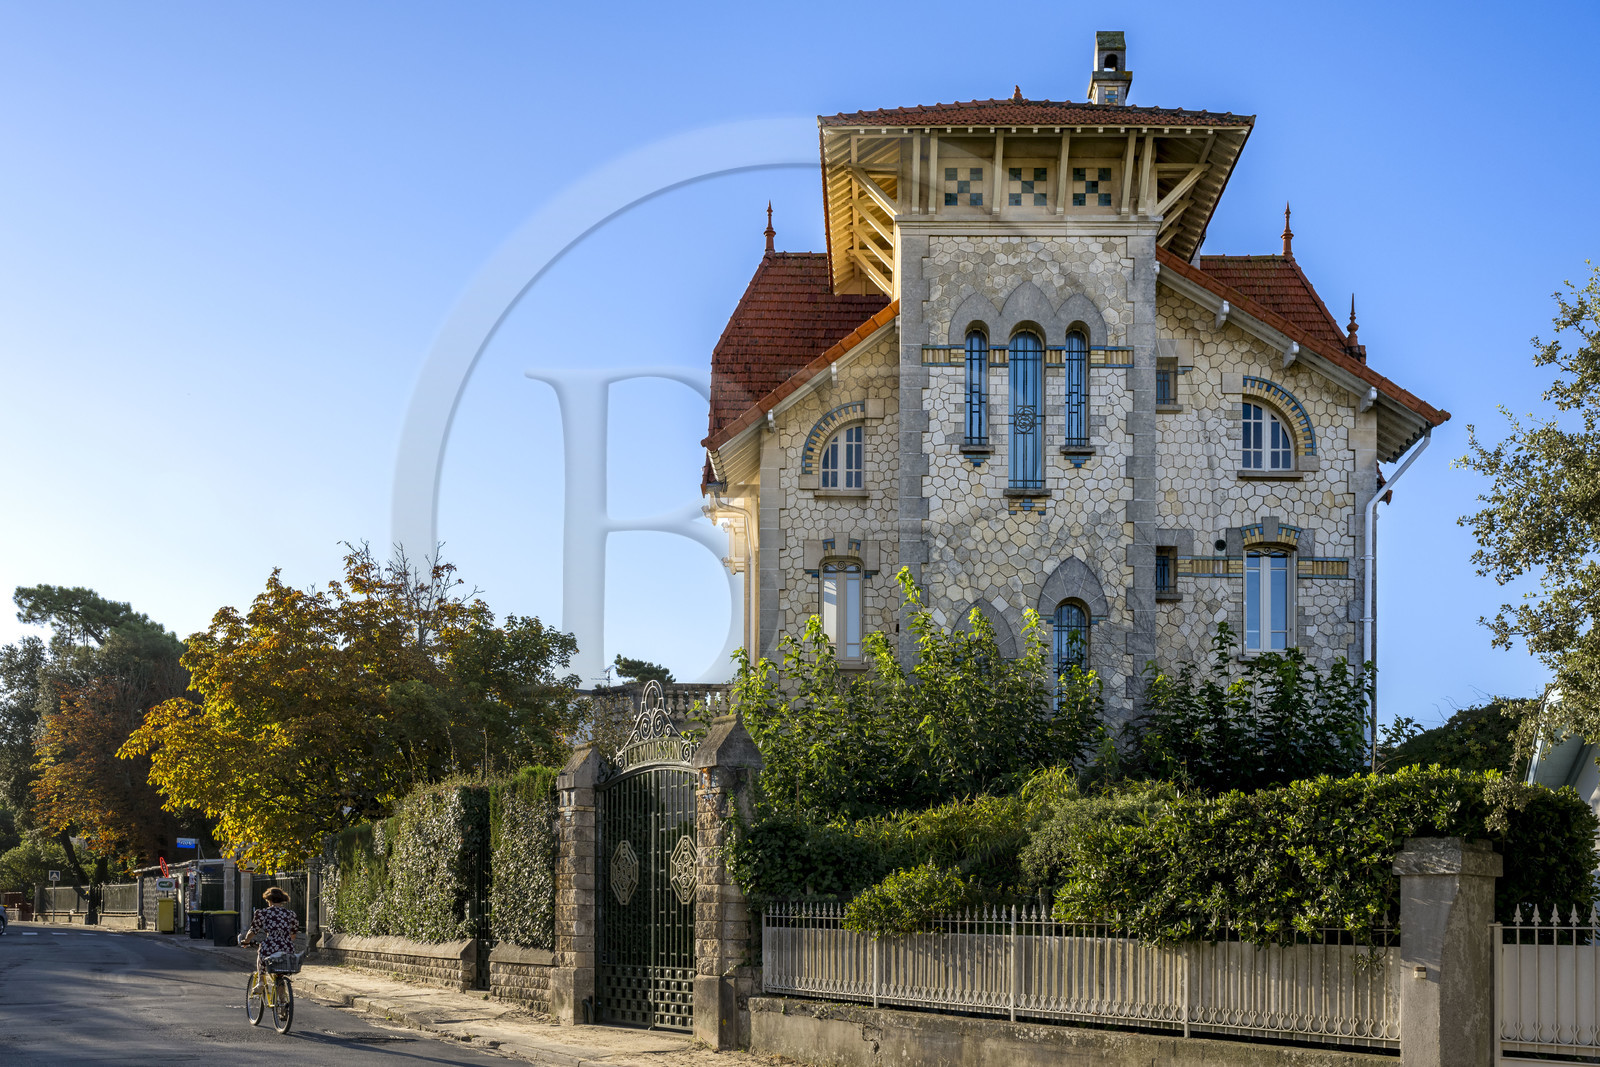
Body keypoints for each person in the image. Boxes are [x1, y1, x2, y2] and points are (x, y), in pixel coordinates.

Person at [239, 887, 299, 979]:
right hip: (287, 948)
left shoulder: (263, 913)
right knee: (280, 974)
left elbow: (253, 930)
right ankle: (281, 990)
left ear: (268, 899)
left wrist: (246, 941)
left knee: (261, 954)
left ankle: (261, 982)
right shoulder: (290, 914)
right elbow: (293, 935)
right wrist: (283, 941)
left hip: (270, 947)